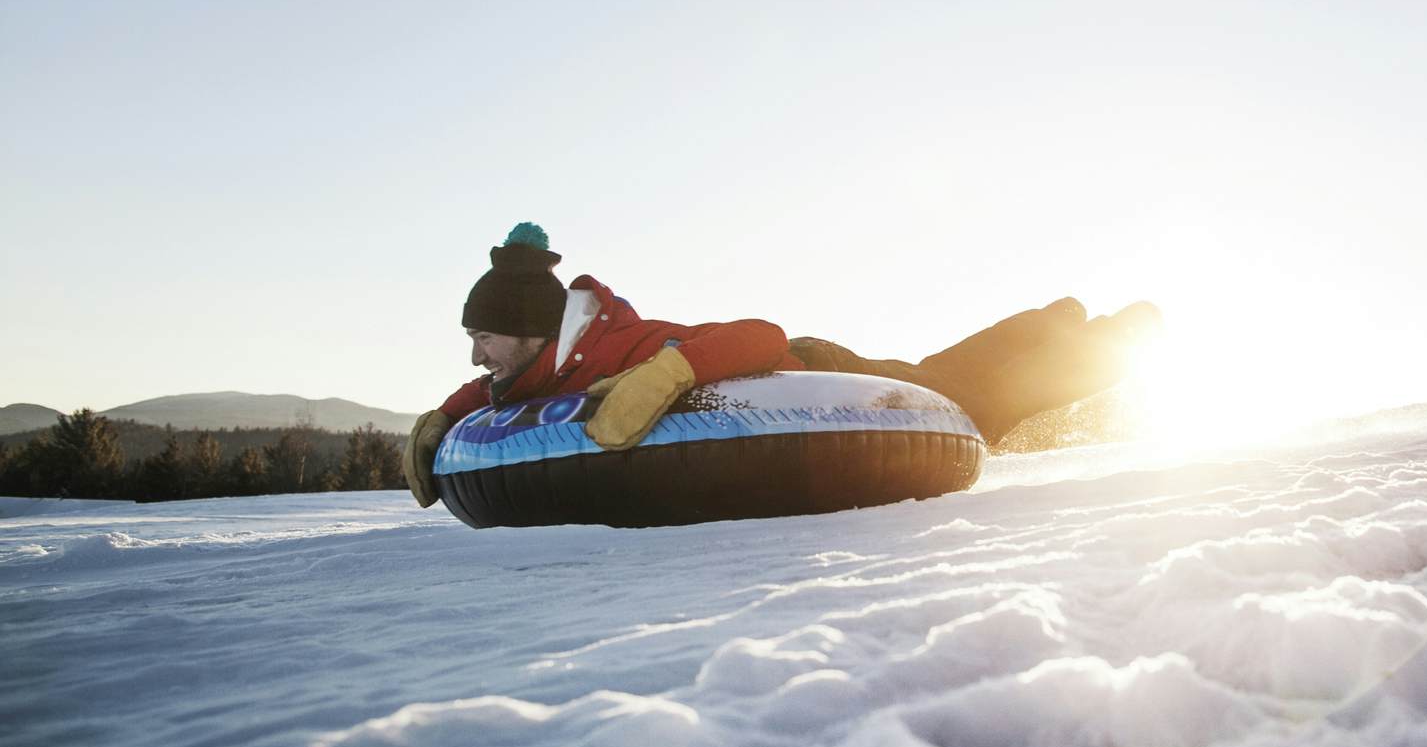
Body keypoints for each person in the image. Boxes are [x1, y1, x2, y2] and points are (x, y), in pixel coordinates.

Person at [401, 224, 1157, 507]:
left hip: (816, 379)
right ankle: (1051, 320)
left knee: (981, 402)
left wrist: (666, 373)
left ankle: (1113, 340)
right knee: (948, 372)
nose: (477, 355)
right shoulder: (542, 366)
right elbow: (503, 385)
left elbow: (760, 333)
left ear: (534, 333)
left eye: (486, 338)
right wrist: (447, 413)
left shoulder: (621, 345)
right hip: (824, 374)